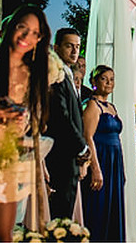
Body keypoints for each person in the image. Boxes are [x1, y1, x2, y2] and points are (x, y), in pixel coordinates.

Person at [0, 5, 51, 241]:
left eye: (35, 33)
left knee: (3, 235)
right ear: (11, 28)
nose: (27, 37)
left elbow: (34, 118)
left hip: (9, 155)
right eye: (22, 28)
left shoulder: (33, 73)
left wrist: (22, 122)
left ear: (40, 39)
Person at [45, 27, 90, 222]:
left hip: (69, 156)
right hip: (61, 155)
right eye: (69, 46)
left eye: (77, 47)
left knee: (66, 212)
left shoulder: (67, 74)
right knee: (60, 215)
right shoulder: (55, 76)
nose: (74, 51)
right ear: (56, 47)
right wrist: (81, 147)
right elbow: (61, 117)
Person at [80, 65, 125, 242]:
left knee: (113, 205)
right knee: (99, 205)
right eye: (104, 79)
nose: (108, 83)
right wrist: (96, 169)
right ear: (94, 82)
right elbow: (88, 136)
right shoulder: (92, 105)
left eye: (111, 79)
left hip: (115, 161)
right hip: (101, 159)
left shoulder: (111, 107)